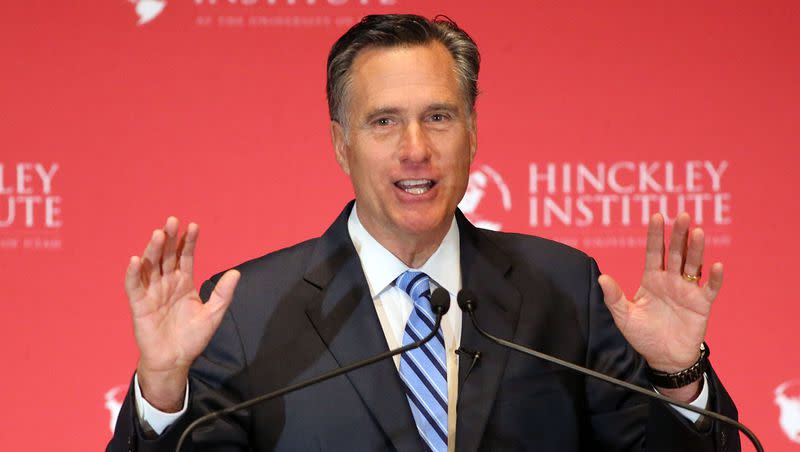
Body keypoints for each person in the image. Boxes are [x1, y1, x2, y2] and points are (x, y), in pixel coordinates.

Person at [107, 14, 740, 451]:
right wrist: (162, 391)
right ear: (340, 143)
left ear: (472, 132)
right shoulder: (246, 313)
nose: (416, 150)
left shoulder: (564, 289)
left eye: (439, 117)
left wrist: (675, 375)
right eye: (384, 122)